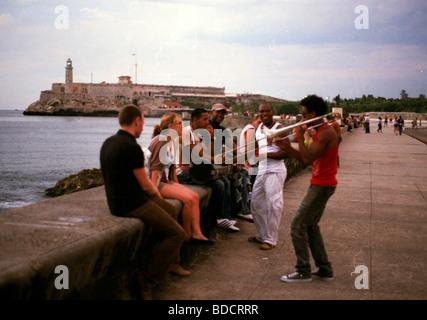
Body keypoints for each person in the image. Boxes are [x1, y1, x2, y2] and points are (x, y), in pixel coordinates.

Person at [100, 104, 189, 300]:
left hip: (117, 201)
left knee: (171, 211)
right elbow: (147, 185)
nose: (143, 129)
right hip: (132, 204)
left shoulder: (108, 142)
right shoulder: (131, 147)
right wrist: (156, 196)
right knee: (177, 233)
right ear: (137, 121)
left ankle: (171, 261)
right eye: (143, 123)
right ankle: (147, 279)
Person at [277, 95, 338, 283]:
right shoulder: (318, 131)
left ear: (313, 113)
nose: (302, 119)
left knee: (297, 225)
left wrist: (300, 138)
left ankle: (303, 270)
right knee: (311, 226)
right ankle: (324, 269)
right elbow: (306, 157)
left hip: (322, 185)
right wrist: (287, 147)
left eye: (304, 115)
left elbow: (306, 159)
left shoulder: (326, 132)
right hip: (320, 183)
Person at [148, 112, 212, 244]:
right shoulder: (162, 141)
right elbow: (154, 169)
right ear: (170, 126)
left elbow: (171, 171)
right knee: (188, 199)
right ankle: (187, 236)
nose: (182, 126)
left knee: (194, 196)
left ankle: (197, 233)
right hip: (155, 183)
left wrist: (179, 188)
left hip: (164, 181)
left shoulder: (169, 141)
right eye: (179, 123)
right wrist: (154, 195)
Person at [177, 108, 240, 232]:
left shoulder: (201, 132)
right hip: (185, 173)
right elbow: (199, 155)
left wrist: (211, 138)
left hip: (198, 170)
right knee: (219, 184)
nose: (207, 122)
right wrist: (218, 160)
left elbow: (211, 154)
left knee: (225, 181)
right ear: (195, 120)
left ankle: (225, 216)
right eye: (204, 119)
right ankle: (219, 218)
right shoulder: (187, 133)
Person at [249, 102, 291, 250]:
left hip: (275, 171)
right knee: (255, 203)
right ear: (258, 113)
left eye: (267, 111)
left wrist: (267, 154)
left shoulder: (279, 129)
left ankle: (271, 239)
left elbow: (286, 152)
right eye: (261, 111)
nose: (264, 114)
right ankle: (261, 235)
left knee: (274, 205)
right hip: (261, 170)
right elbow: (257, 148)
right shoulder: (258, 128)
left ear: (273, 113)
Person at [207, 103, 251, 226]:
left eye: (223, 113)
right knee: (225, 181)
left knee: (243, 172)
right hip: (209, 164)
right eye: (218, 112)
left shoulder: (222, 131)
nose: (220, 115)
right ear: (211, 113)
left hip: (218, 163)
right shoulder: (206, 128)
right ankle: (226, 214)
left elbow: (234, 148)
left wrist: (239, 159)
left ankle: (243, 209)